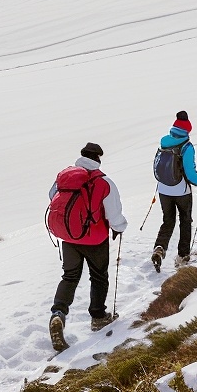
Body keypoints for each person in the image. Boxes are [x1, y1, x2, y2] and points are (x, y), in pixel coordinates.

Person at [46, 142, 127, 351]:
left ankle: (58, 314)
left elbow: (53, 198)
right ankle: (98, 316)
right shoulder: (104, 182)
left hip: (69, 237)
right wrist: (119, 228)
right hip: (94, 239)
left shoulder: (65, 177)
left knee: (70, 276)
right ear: (98, 159)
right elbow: (113, 212)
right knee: (98, 276)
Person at [152, 111, 197, 272]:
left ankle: (159, 248)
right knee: (185, 221)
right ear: (187, 131)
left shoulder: (164, 142)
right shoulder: (186, 147)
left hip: (163, 189)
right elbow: (190, 173)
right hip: (181, 191)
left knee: (168, 221)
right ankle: (182, 256)